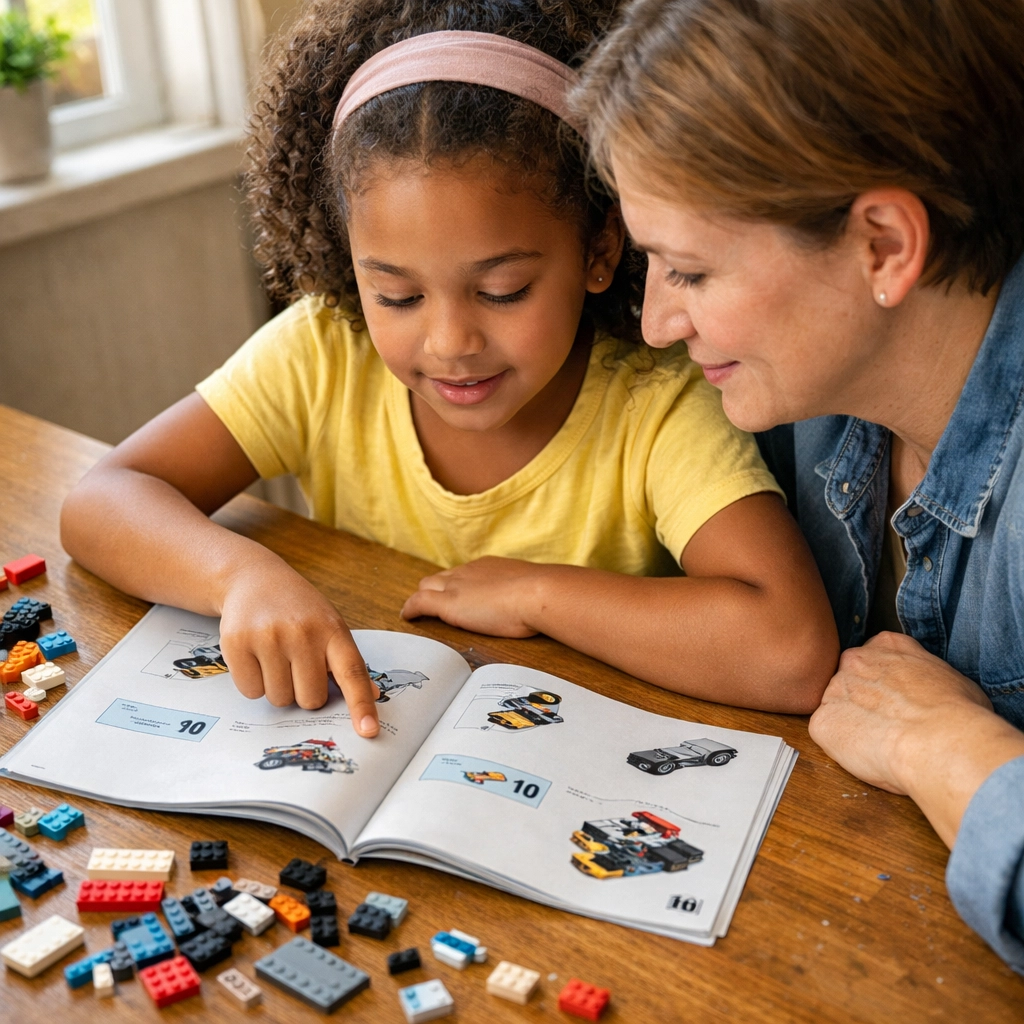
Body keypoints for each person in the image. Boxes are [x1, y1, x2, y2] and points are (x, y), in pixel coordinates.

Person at [60, 0, 839, 741]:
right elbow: (100, 501)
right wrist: (237, 578)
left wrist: (537, 592)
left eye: (502, 291)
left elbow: (791, 651)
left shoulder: (656, 403)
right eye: (396, 293)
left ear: (599, 250)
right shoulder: (327, 349)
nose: (449, 342)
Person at [575, 0, 1024, 973]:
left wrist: (943, 746)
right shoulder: (810, 393)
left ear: (883, 248)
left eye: (688, 270)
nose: (655, 322)